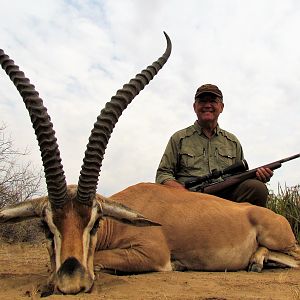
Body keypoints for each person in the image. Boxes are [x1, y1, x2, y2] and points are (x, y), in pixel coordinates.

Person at [155, 84, 273, 207]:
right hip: (189, 198)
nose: (207, 105)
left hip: (226, 197)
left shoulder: (232, 141)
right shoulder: (179, 138)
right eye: (202, 101)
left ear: (221, 107)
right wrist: (182, 192)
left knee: (257, 188)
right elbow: (163, 174)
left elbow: (240, 176)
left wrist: (258, 176)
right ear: (195, 107)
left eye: (213, 101)